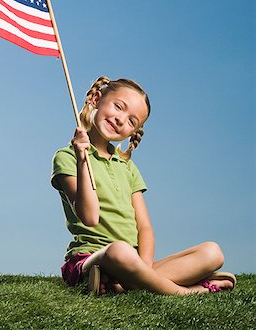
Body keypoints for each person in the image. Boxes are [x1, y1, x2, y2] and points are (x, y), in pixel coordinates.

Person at [51, 76, 236, 295]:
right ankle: (188, 291)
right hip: (92, 259)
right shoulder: (67, 157)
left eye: (132, 121)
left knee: (213, 252)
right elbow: (90, 217)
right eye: (118, 107)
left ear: (133, 132)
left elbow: (145, 227)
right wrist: (82, 158)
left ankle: (125, 283)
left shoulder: (128, 168)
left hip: (133, 261)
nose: (121, 120)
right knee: (119, 251)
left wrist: (144, 267)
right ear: (96, 99)